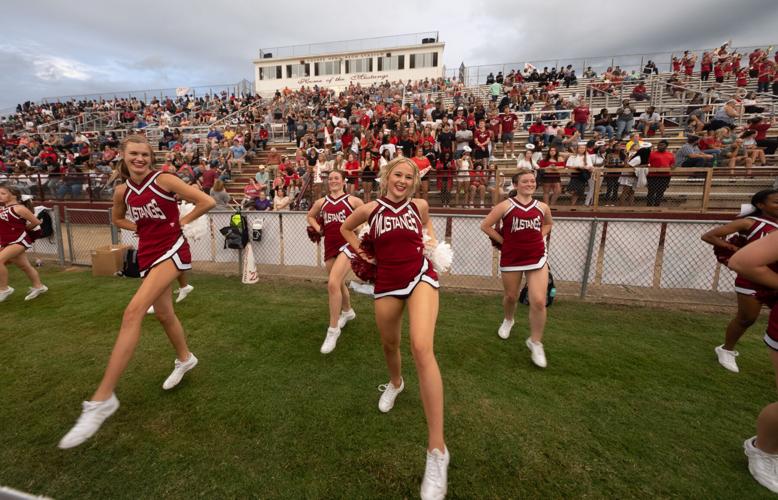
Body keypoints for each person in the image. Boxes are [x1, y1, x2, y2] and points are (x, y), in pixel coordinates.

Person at [58, 135, 216, 449]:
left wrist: (181, 221)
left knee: (133, 312)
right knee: (165, 315)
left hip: (172, 250)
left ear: (150, 157)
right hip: (147, 252)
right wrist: (138, 228)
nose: (140, 159)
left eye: (145, 154)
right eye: (134, 154)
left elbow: (206, 201)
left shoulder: (165, 179)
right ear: (124, 156)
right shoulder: (123, 190)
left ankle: (102, 400)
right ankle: (185, 358)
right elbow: (117, 218)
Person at [340, 157, 448, 500]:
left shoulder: (420, 206)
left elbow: (428, 228)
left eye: (409, 177)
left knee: (420, 346)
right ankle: (396, 383)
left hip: (420, 276)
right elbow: (345, 228)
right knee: (390, 345)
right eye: (397, 175)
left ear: (415, 182)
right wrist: (363, 255)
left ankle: (437, 451)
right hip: (386, 281)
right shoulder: (370, 209)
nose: (402, 180)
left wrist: (430, 243)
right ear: (387, 177)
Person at [480, 168, 553, 367]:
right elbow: (485, 225)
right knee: (511, 296)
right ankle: (509, 319)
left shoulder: (542, 207)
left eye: (532, 181)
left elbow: (548, 224)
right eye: (525, 181)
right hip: (512, 257)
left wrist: (540, 236)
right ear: (516, 185)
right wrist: (504, 242)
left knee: (538, 300)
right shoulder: (505, 205)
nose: (530, 184)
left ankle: (535, 342)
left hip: (536, 256)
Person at [702, 190, 778, 373]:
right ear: (761, 205)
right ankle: (726, 349)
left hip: (774, 277)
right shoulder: (750, 222)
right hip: (752, 279)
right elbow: (709, 236)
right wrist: (734, 249)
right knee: (747, 318)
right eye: (776, 202)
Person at [728, 230, 778, 493]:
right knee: (746, 318)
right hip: (751, 284)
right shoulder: (751, 221)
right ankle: (764, 450)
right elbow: (741, 259)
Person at [307, 170, 364, 353]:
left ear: (343, 181)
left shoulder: (353, 201)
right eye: (330, 178)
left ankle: (333, 330)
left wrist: (360, 228)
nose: (333, 181)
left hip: (348, 245)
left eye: (336, 178)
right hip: (330, 246)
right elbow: (310, 216)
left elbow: (366, 219)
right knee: (338, 285)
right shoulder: (321, 202)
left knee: (332, 284)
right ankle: (347, 312)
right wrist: (318, 227)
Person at [0, 184, 48, 302]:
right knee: (25, 266)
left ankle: (4, 289)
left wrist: (23, 230)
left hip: (18, 241)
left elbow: (36, 222)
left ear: (14, 195)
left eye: (3, 193)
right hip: (8, 241)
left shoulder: (19, 208)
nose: (0, 196)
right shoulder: (3, 209)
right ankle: (39, 287)